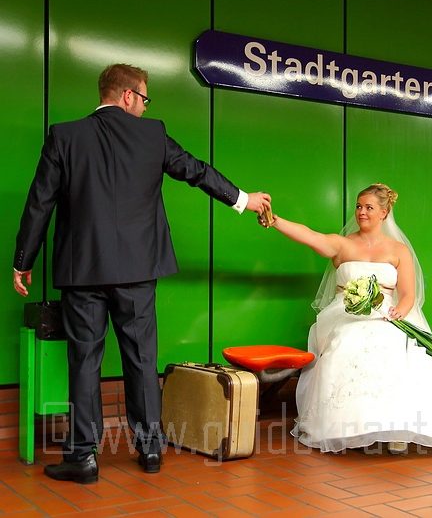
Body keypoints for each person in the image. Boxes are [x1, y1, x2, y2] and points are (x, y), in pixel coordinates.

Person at [13, 63, 271, 483]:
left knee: (85, 361)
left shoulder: (65, 136)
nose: (146, 107)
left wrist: (23, 260)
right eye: (145, 98)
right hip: (137, 271)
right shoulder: (152, 135)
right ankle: (150, 449)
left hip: (83, 271)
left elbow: (39, 202)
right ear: (128, 95)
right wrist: (243, 199)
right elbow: (196, 170)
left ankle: (83, 457)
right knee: (141, 358)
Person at [262, 183, 432, 456]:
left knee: (397, 348)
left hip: (386, 316)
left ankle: (398, 428)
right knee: (347, 343)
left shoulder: (398, 250)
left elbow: (407, 294)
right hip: (345, 317)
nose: (361, 212)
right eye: (358, 206)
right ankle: (348, 425)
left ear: (384, 212)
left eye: (369, 207)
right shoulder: (342, 244)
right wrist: (275, 221)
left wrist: (400, 311)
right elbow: (310, 236)